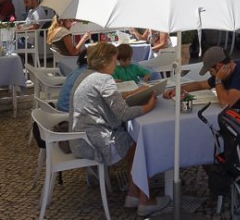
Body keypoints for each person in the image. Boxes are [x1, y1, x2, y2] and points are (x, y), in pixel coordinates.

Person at [69, 42, 169, 217]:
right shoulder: (104, 79)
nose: (116, 65)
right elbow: (123, 114)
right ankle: (145, 200)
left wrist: (130, 94)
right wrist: (149, 106)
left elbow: (107, 98)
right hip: (93, 142)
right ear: (105, 62)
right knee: (140, 144)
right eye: (114, 61)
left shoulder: (86, 75)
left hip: (80, 138)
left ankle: (133, 194)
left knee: (134, 141)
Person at [165, 46, 240, 123]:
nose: (211, 74)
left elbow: (225, 104)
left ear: (218, 66)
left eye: (211, 71)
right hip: (233, 118)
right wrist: (177, 89)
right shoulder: (226, 72)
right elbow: (200, 85)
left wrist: (218, 80)